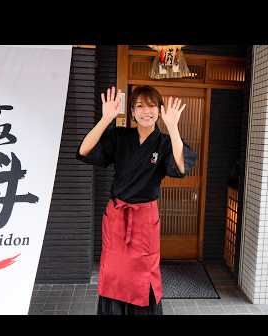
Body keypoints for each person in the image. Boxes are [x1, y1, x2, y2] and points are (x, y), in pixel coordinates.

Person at [76, 85, 198, 315]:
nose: (146, 111)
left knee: (144, 274)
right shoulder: (120, 136)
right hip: (116, 218)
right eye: (139, 106)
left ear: (160, 110)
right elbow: (84, 151)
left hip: (144, 220)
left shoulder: (164, 142)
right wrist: (105, 119)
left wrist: (173, 127)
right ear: (131, 112)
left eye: (152, 106)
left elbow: (181, 167)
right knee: (115, 273)